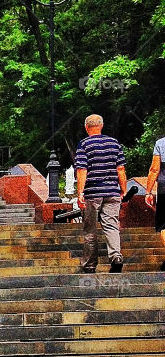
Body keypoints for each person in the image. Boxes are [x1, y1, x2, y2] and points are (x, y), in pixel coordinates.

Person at [74, 113, 128, 272]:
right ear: (102, 126)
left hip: (92, 193)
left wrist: (80, 193)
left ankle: (90, 265)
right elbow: (121, 169)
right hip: (112, 192)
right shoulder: (114, 143)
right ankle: (116, 256)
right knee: (112, 226)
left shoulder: (84, 144)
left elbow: (82, 170)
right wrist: (123, 189)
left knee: (90, 230)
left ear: (86, 127)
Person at [145, 132, 165, 269]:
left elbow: (154, 169)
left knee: (164, 225)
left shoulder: (161, 143)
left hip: (164, 189)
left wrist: (148, 192)